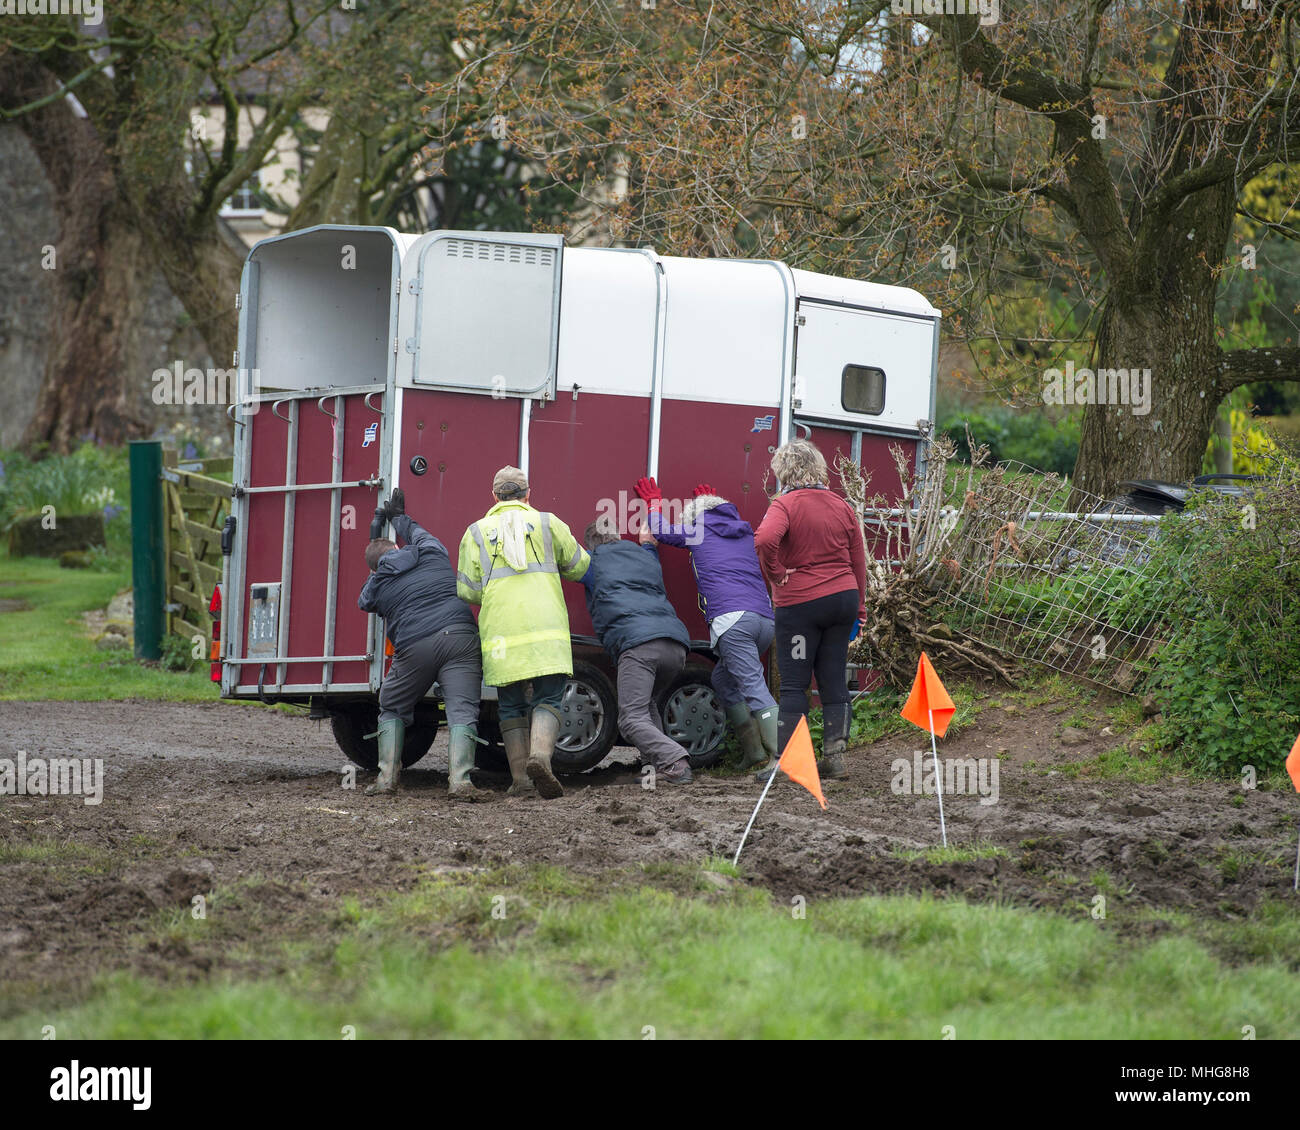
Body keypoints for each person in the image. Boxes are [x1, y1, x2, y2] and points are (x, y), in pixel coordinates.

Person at [457, 467, 590, 800]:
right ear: (528, 494)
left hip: (502, 635)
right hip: (546, 632)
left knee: (511, 705)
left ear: (494, 497)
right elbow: (581, 567)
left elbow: (467, 591)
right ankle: (541, 758)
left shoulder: (474, 533)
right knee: (548, 697)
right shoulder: (548, 523)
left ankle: (521, 781)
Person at [634, 477, 780, 774]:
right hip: (764, 621)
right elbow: (718, 520)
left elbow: (660, 531)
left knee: (754, 686)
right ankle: (754, 752)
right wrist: (709, 505)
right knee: (725, 681)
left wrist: (653, 503)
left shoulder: (698, 530)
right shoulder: (742, 532)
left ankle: (783, 759)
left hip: (733, 620)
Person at [357, 489, 483, 798]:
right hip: (461, 637)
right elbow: (420, 535)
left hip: (416, 647)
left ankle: (387, 780)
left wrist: (377, 572)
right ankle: (461, 782)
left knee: (391, 706)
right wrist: (399, 519)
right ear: (400, 547)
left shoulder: (377, 585)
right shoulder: (431, 551)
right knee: (463, 709)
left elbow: (363, 601)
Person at [753, 440, 866, 781]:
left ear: (784, 472)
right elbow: (858, 558)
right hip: (842, 601)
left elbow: (763, 540)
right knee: (833, 678)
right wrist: (859, 608)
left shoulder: (785, 505)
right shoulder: (841, 505)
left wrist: (776, 573)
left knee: (793, 684)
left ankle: (790, 763)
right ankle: (834, 759)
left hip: (801, 606)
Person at [582, 514, 694, 786]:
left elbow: (566, 560)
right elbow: (649, 548)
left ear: (590, 545)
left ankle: (675, 762)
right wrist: (647, 543)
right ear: (618, 536)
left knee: (630, 719)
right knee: (646, 704)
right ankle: (655, 767)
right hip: (676, 644)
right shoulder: (646, 558)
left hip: (639, 645)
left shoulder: (591, 562)